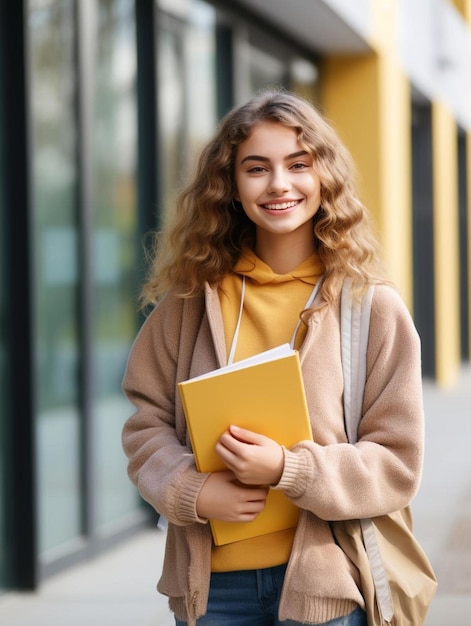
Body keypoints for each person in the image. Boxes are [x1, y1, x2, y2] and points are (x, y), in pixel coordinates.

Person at [121, 89, 424, 626]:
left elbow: (397, 463)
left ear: (324, 177)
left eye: (298, 164)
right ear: (232, 187)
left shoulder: (371, 307)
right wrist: (192, 490)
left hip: (327, 586)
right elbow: (145, 426)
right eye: (256, 168)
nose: (279, 184)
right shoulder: (189, 302)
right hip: (213, 592)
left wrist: (290, 469)